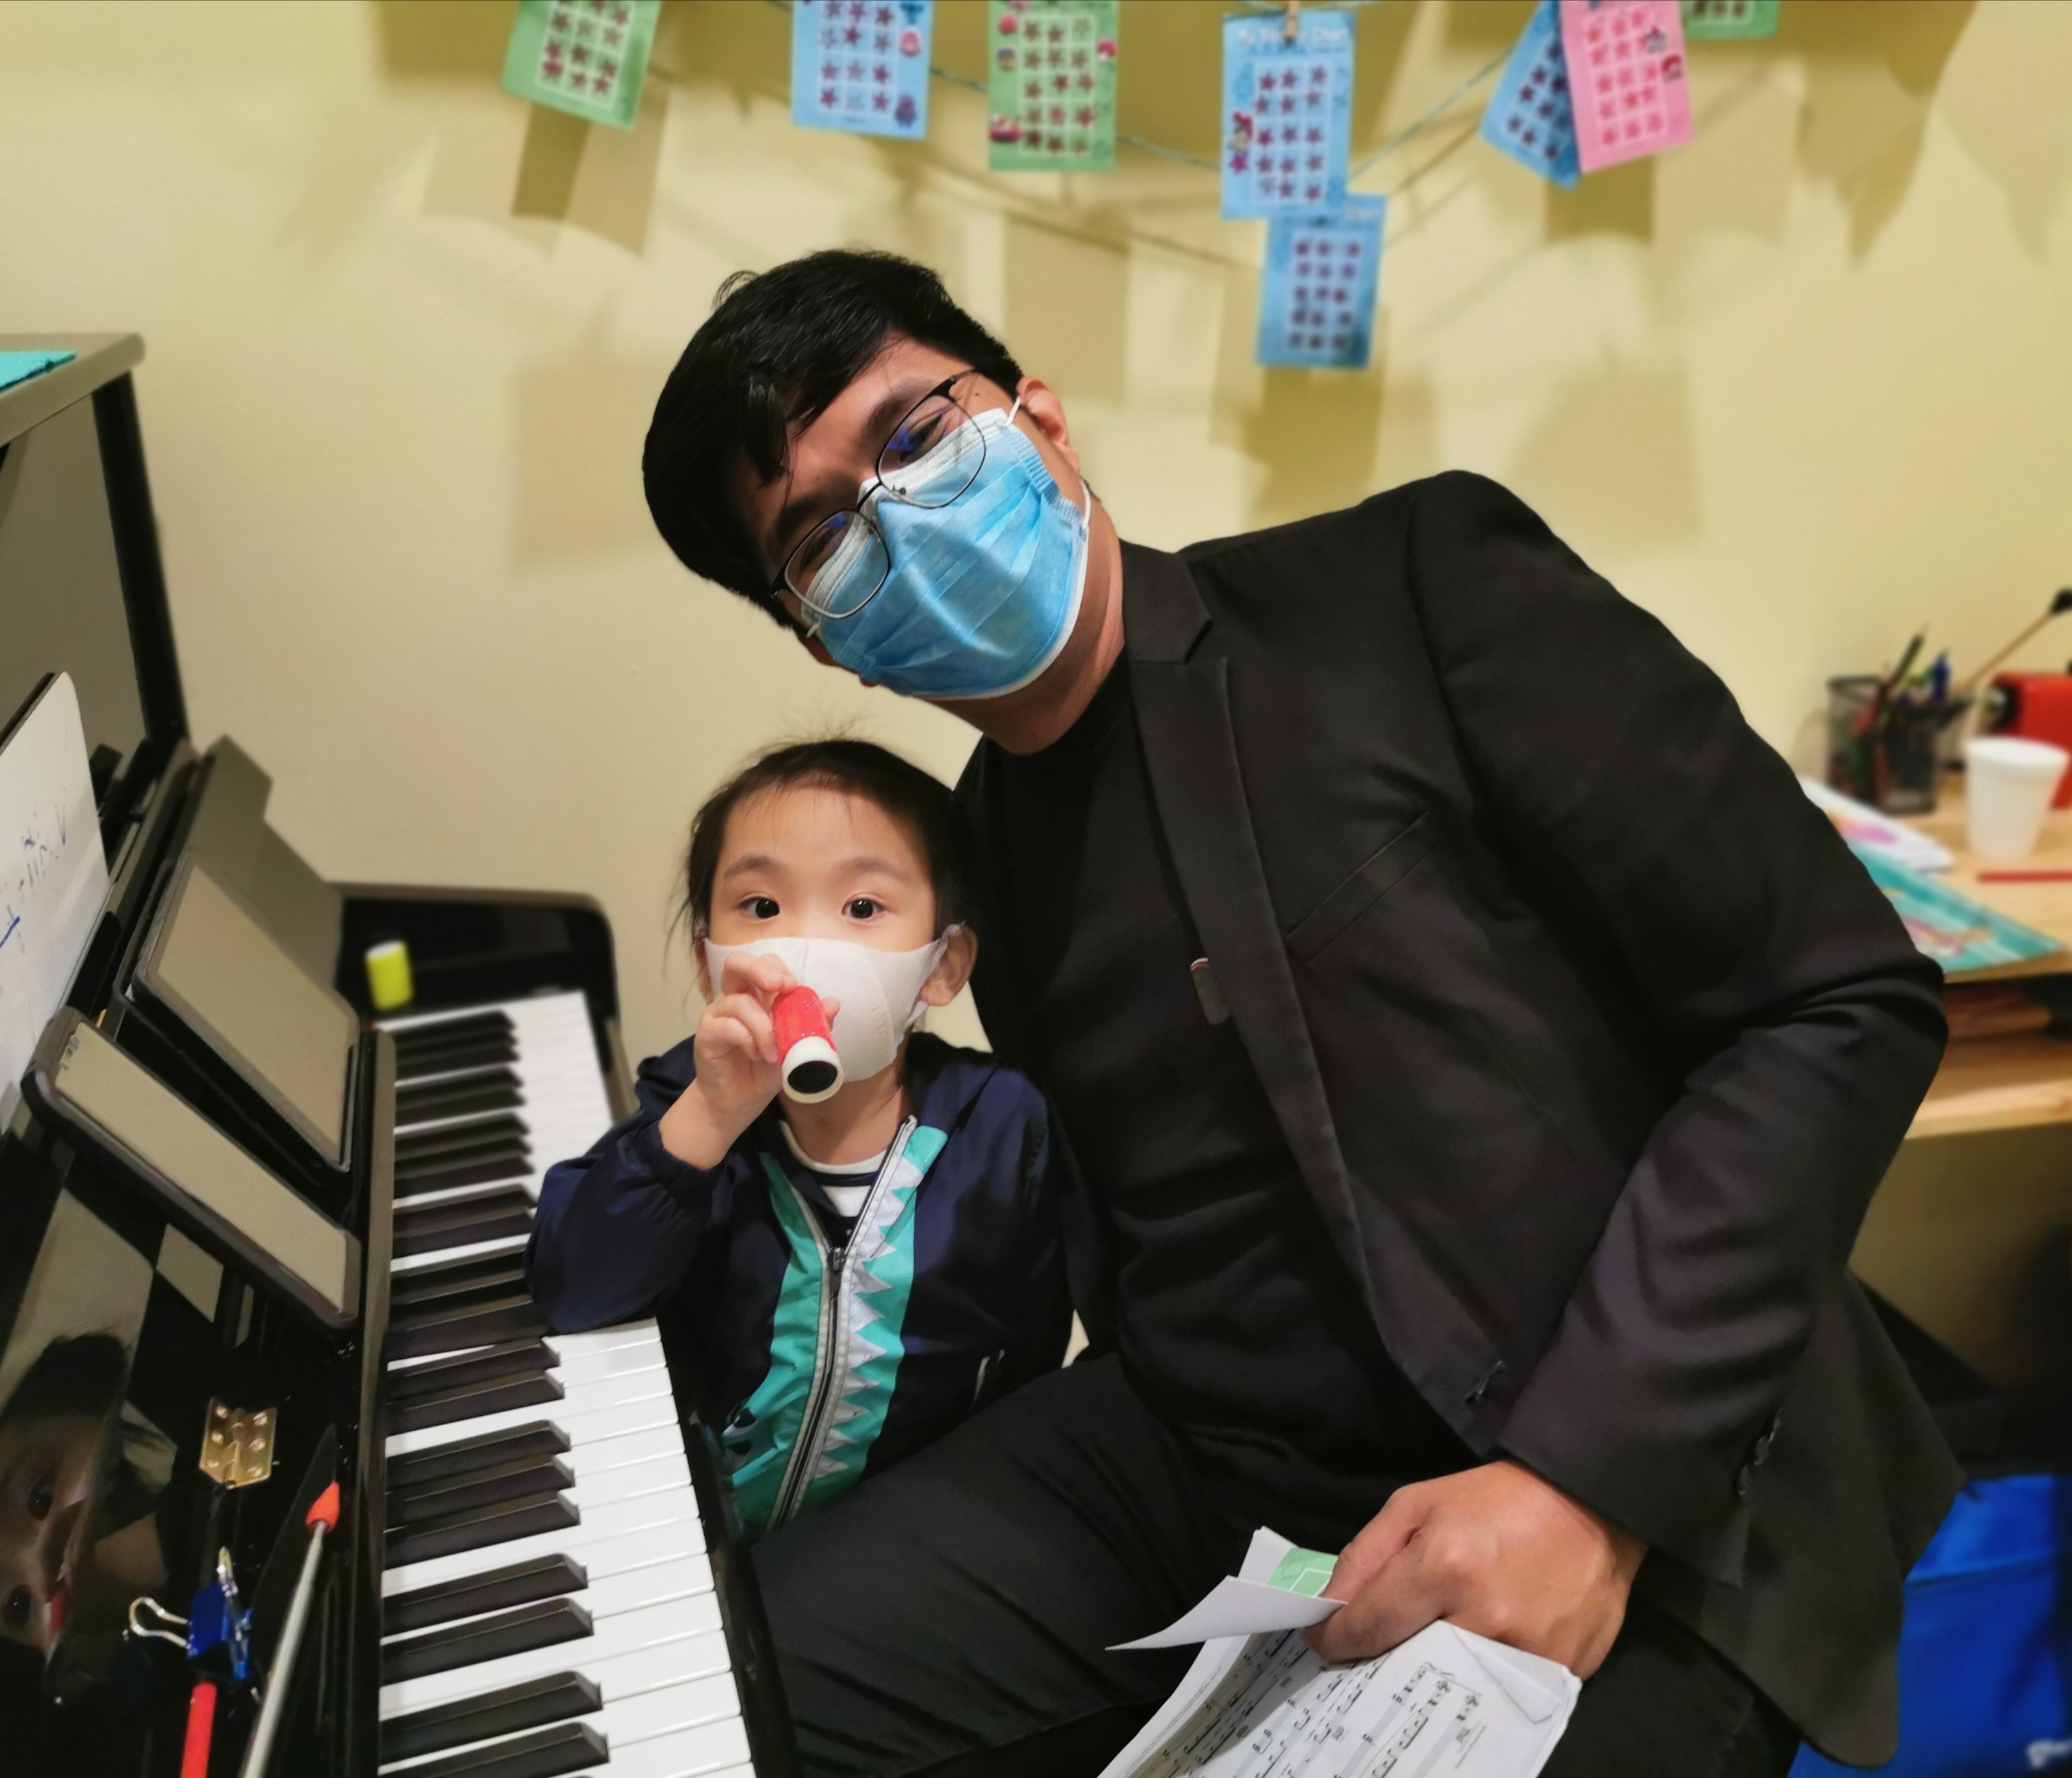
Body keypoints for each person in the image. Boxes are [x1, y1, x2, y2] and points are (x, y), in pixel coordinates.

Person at [640, 251, 1958, 1776]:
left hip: (1612, 1447)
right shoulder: (975, 853)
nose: (895, 515)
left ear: (1037, 416)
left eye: (914, 433)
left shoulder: (1407, 587)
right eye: (820, 535)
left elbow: (1831, 998)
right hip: (1206, 1462)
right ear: (824, 637)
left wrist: (1581, 1483)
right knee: (709, 1688)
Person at [528, 739, 1075, 1535]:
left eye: (862, 908)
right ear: (709, 962)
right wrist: (708, 1119)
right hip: (684, 1546)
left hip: (901, 1543)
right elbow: (571, 1291)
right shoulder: (687, 1103)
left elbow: (1030, 1360)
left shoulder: (1005, 1127)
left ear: (943, 965)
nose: (805, 950)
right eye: (761, 908)